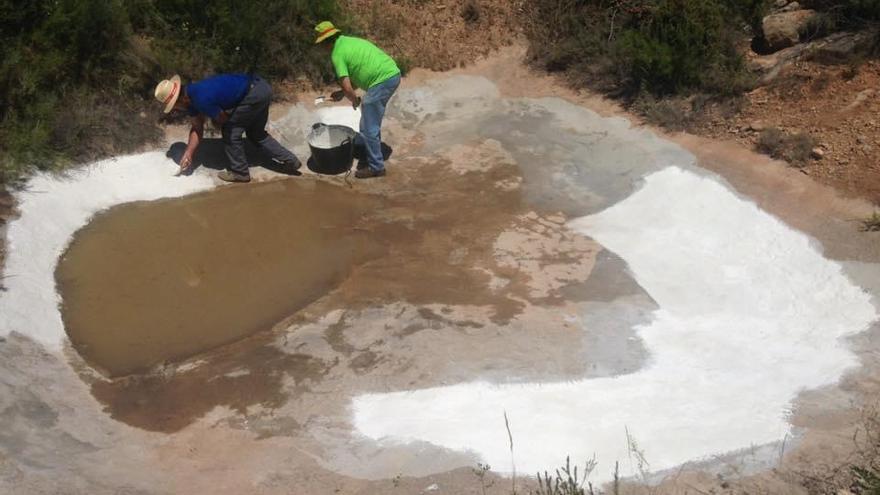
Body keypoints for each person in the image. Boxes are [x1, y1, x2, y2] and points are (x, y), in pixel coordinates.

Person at [154, 73, 301, 183]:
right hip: (262, 88)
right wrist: (189, 153)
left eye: (175, 105)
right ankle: (291, 161)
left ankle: (240, 172)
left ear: (181, 99)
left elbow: (222, 119)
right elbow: (196, 127)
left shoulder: (201, 99)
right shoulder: (191, 95)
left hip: (252, 96)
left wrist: (217, 122)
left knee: (230, 132)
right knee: (256, 133)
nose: (175, 109)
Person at [315, 21, 401, 179]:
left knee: (368, 126)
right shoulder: (349, 41)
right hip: (391, 74)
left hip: (382, 81)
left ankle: (376, 167)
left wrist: (354, 100)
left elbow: (347, 85)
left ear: (325, 43)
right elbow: (356, 73)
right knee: (368, 123)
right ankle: (372, 151)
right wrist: (343, 93)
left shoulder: (337, 54)